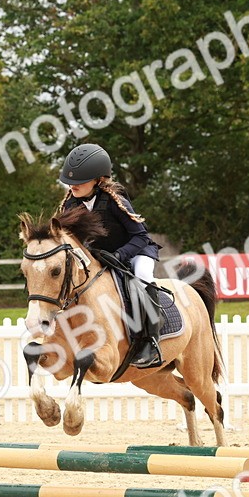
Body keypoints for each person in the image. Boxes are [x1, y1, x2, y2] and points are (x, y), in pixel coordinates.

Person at [56, 143, 165, 367]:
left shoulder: (116, 202)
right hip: (100, 256)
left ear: (98, 180)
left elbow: (141, 237)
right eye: (70, 181)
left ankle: (151, 340)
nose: (73, 185)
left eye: (80, 181)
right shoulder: (69, 204)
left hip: (134, 250)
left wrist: (120, 254)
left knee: (142, 276)